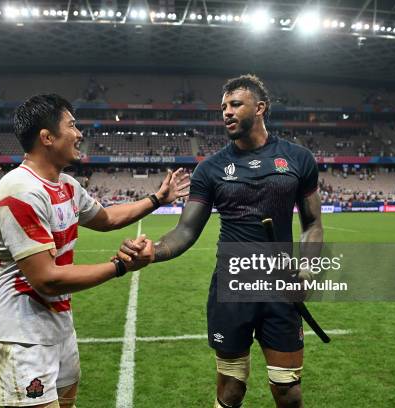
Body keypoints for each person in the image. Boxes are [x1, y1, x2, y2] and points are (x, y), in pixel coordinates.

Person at [118, 75, 323, 408]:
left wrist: (309, 270)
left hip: (279, 289)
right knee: (231, 390)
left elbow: (313, 223)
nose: (226, 112)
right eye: (223, 106)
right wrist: (154, 250)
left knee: (288, 392)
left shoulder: (298, 159)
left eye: (235, 105)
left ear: (260, 108)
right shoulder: (210, 169)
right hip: (232, 287)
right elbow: (186, 230)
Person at [0, 94, 188, 408]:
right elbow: (47, 279)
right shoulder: (21, 192)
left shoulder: (67, 185)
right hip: (21, 337)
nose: (80, 134)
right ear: (47, 137)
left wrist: (157, 199)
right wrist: (120, 266)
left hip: (58, 327)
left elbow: (107, 219)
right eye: (72, 126)